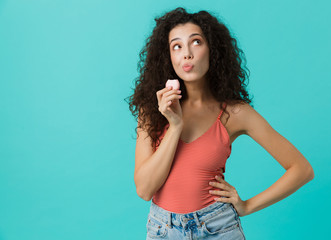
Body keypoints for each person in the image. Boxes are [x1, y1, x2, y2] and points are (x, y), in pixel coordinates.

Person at [126, 7, 315, 240]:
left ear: (212, 50)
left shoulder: (234, 113)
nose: (187, 53)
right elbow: (144, 190)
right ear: (168, 57)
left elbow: (302, 169)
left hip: (217, 227)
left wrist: (247, 206)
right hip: (163, 230)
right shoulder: (152, 109)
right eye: (177, 46)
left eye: (195, 42)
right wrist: (175, 126)